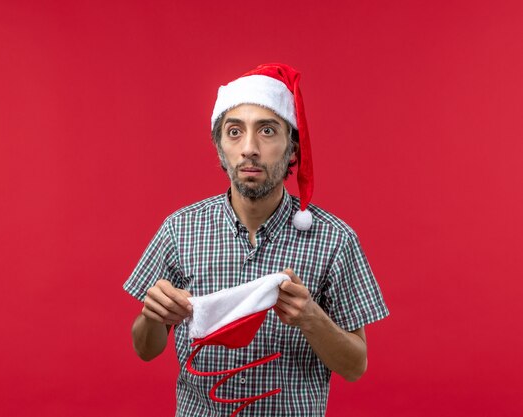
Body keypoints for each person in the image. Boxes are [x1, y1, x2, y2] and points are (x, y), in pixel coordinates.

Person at [123, 63, 389, 416]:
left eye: (267, 130)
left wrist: (311, 317)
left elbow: (356, 366)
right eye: (234, 132)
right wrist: (153, 316)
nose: (249, 148)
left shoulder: (336, 240)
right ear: (220, 147)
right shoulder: (179, 229)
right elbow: (145, 349)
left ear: (292, 148)